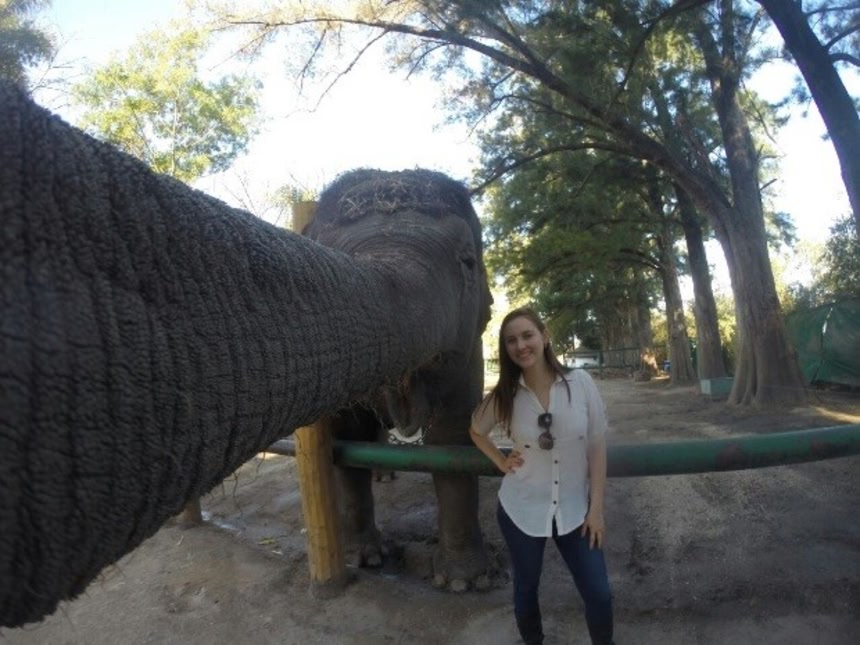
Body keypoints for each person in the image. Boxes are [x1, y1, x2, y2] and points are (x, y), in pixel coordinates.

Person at [470, 307, 615, 645]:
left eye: (527, 335)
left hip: (576, 511)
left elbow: (597, 446)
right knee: (526, 587)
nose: (520, 345)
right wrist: (500, 460)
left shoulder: (580, 383)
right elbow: (476, 430)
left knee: (599, 592)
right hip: (521, 508)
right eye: (511, 340)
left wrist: (596, 509)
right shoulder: (505, 395)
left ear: (544, 336)